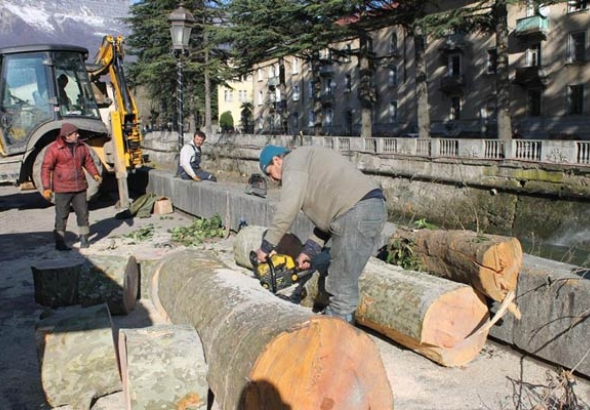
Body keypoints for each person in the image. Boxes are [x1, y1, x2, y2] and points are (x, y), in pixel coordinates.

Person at [254, 145, 387, 323]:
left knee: (341, 284)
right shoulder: (306, 162)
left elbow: (288, 208)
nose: (273, 179)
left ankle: (338, 331)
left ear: (277, 160)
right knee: (323, 263)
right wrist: (309, 250)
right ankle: (334, 315)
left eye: (270, 173)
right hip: (360, 210)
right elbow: (331, 218)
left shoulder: (293, 161)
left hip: (358, 211)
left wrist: (267, 246)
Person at [41, 123, 102, 251]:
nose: (78, 135)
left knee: (83, 213)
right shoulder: (54, 149)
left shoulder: (82, 147)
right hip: (62, 189)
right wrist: (46, 187)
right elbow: (46, 168)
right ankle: (60, 242)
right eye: (75, 133)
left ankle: (84, 239)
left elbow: (88, 161)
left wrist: (95, 174)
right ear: (67, 136)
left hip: (79, 187)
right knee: (62, 215)